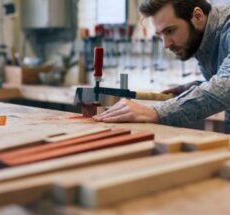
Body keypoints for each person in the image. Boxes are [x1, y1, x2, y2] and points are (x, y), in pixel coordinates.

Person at [93, 0, 230, 132]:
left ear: (198, 16)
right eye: (161, 35)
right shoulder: (207, 38)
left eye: (170, 31)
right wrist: (193, 88)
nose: (166, 44)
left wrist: (154, 112)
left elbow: (226, 87)